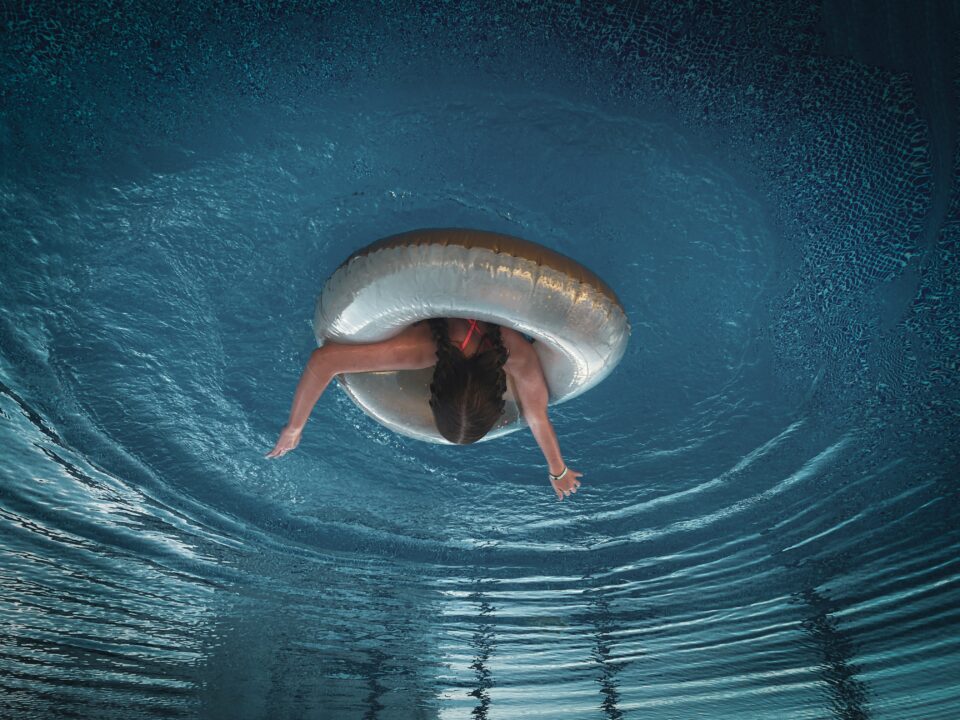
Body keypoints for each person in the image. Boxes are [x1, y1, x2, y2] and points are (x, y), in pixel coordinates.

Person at [266, 318, 583, 500]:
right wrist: (293, 428)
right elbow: (324, 361)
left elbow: (537, 415)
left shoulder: (512, 354)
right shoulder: (518, 357)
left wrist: (559, 468)